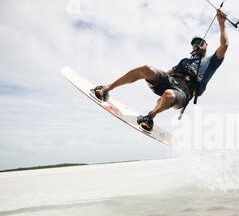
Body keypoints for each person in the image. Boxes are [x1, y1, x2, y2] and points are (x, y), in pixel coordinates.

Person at [92, 10, 229, 131]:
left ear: (206, 45)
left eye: (200, 42)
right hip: (171, 81)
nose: (197, 45)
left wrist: (221, 23)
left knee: (169, 95)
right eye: (194, 44)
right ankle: (107, 88)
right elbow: (168, 73)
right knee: (146, 69)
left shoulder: (211, 62)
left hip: (184, 93)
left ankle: (150, 117)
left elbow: (225, 45)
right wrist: (154, 77)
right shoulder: (184, 61)